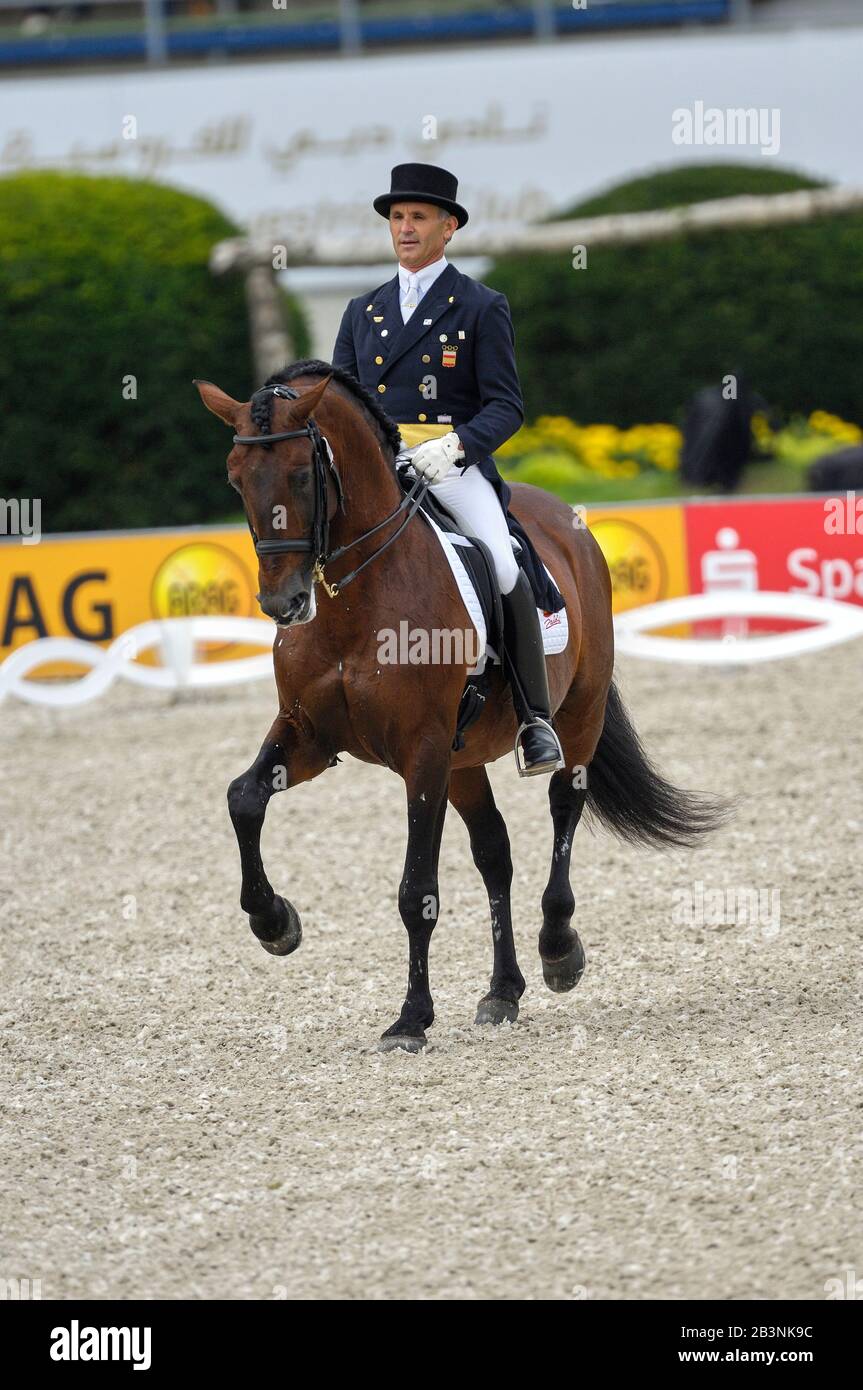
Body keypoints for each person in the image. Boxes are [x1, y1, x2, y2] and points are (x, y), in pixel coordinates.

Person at [332, 162, 563, 775]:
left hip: (451, 467)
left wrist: (455, 447)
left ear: (449, 226)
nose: (405, 229)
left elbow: (507, 406)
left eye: (419, 218)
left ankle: (536, 719)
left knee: (504, 561)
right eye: (397, 218)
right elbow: (341, 403)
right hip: (382, 471)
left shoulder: (481, 305)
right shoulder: (363, 311)